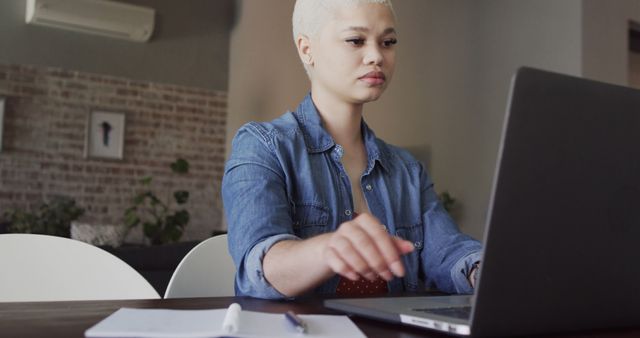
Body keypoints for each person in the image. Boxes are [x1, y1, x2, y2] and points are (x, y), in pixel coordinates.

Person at [222, 0, 482, 299]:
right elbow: (260, 268)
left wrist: (482, 270)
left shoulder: (408, 170)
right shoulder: (263, 146)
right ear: (307, 49)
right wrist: (329, 249)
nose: (376, 56)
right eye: (355, 40)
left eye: (388, 42)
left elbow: (448, 253)